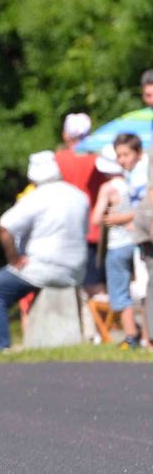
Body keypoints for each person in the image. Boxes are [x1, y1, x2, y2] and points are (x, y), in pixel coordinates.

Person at [0, 151, 89, 351]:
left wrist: (14, 258)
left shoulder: (36, 198)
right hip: (77, 270)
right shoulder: (80, 196)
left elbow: (4, 226)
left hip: (42, 268)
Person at [91, 134, 148, 349]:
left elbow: (96, 219)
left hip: (118, 244)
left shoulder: (109, 188)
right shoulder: (132, 181)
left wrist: (111, 214)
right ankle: (146, 334)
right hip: (137, 241)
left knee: (120, 292)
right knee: (143, 289)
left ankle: (132, 336)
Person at [53, 112, 109, 298]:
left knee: (70, 287)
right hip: (94, 230)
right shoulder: (100, 160)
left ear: (66, 135)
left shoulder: (57, 160)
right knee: (96, 285)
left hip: (65, 230)